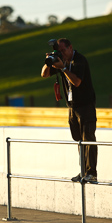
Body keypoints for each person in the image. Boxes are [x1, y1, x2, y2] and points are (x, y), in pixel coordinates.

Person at [41, 38, 97, 182]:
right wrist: (49, 62)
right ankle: (83, 171)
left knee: (88, 139)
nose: (62, 54)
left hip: (86, 106)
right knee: (78, 140)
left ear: (70, 48)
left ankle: (92, 173)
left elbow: (77, 82)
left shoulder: (79, 60)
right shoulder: (60, 60)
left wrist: (63, 68)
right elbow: (44, 74)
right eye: (59, 51)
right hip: (72, 107)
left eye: (63, 50)